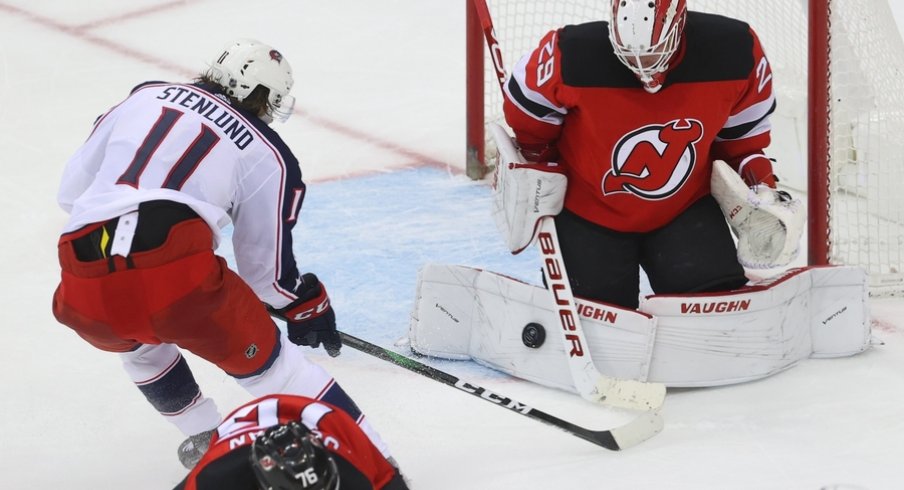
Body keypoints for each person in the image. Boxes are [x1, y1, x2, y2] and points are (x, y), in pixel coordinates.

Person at [52, 38, 391, 469]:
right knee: (280, 373)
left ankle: (202, 434)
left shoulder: (144, 95)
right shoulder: (268, 153)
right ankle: (377, 468)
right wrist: (304, 303)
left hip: (81, 267)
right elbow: (264, 277)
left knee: (135, 341)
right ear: (265, 99)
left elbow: (70, 192)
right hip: (177, 270)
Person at [501, 0, 789, 309]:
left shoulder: (733, 52)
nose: (642, 62)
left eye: (654, 50)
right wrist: (537, 160)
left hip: (684, 211)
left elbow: (742, 142)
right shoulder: (570, 56)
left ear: (679, 26)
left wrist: (762, 189)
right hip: (588, 213)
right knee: (596, 316)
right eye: (630, 51)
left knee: (715, 307)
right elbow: (528, 122)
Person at [174, 394, 408, 490]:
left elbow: (388, 481)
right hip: (236, 435)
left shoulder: (353, 468)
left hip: (326, 420)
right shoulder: (215, 479)